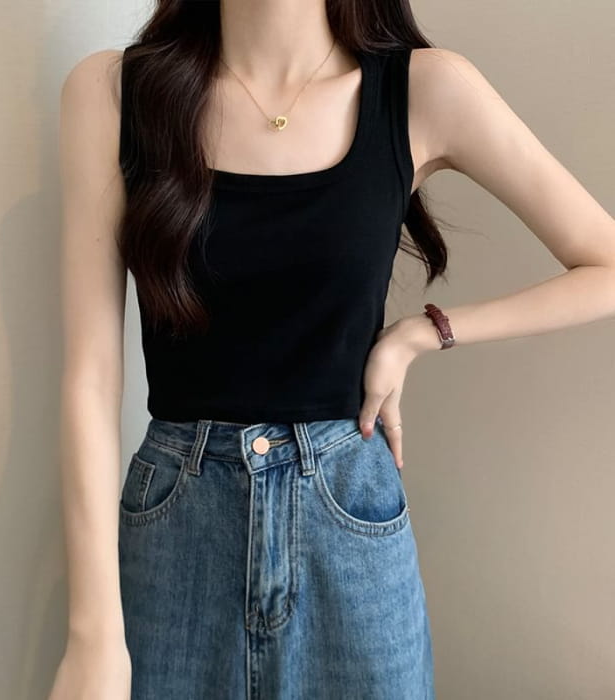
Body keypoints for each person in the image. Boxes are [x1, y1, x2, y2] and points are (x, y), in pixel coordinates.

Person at [49, 1, 615, 699]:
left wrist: (423, 332)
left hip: (348, 519)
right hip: (177, 530)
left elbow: (605, 264)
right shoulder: (114, 95)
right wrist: (93, 635)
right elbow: (90, 378)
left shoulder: (423, 90)